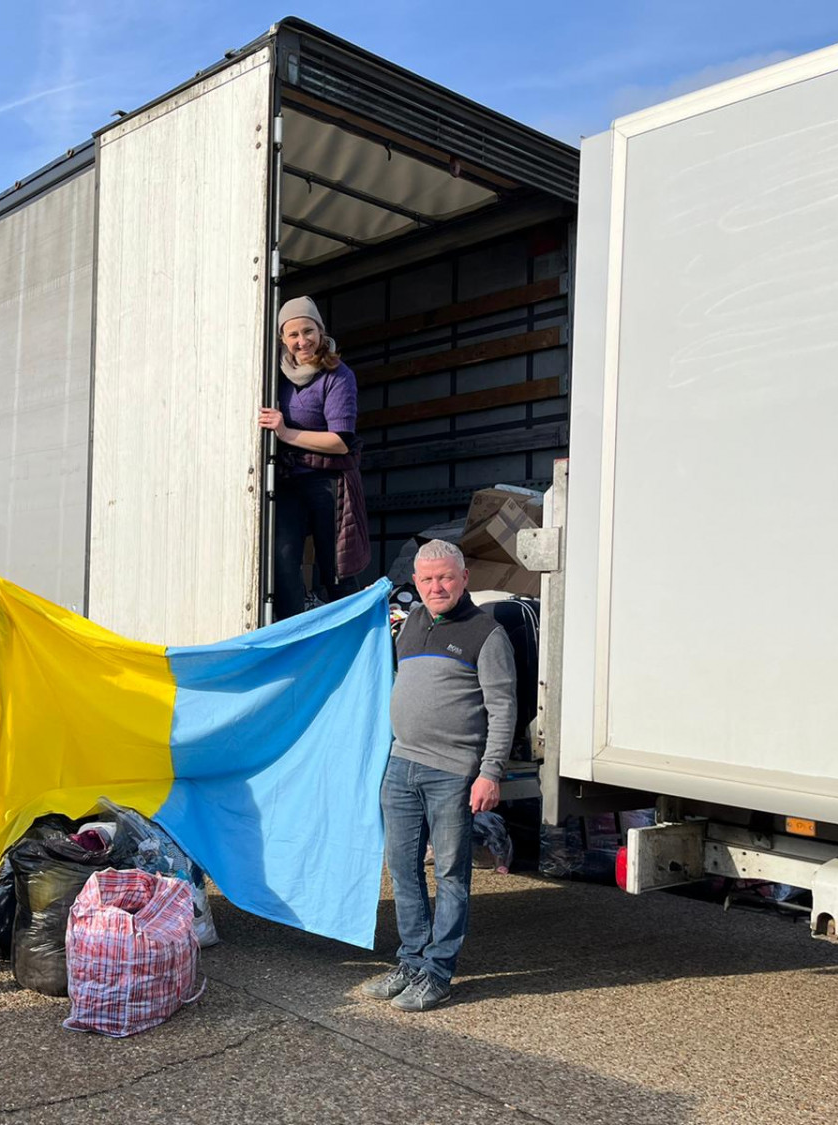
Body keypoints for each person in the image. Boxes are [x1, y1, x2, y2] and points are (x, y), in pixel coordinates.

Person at [362, 539, 517, 1011]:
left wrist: (490, 773)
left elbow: (503, 708)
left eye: (445, 577)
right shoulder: (409, 625)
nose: (437, 587)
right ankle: (411, 960)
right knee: (403, 869)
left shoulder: (487, 634)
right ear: (416, 583)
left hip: (452, 772)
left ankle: (438, 972)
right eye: (427, 580)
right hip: (401, 764)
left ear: (464, 577)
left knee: (450, 874)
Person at [258, 295, 369, 620]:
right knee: (282, 561)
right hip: (290, 479)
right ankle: (292, 638)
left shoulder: (337, 375)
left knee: (336, 569)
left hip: (329, 480)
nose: (302, 341)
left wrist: (286, 433)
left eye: (308, 331)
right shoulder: (272, 374)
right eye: (293, 335)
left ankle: (351, 640)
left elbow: (340, 441)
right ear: (283, 339)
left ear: (320, 332)